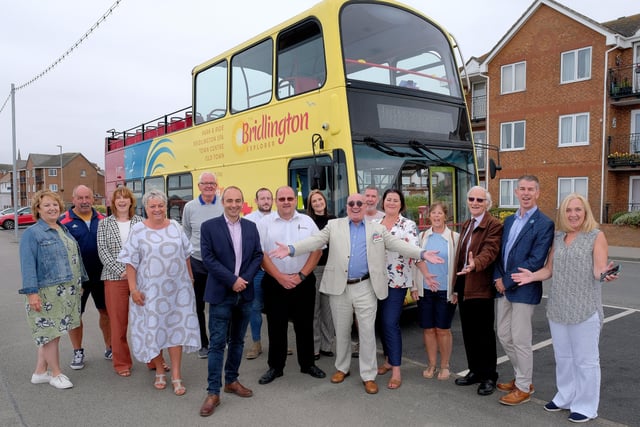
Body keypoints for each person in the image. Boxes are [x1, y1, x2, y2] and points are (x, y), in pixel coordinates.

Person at [270, 193, 443, 395]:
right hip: (339, 287)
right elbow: (314, 241)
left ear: (364, 206)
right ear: (347, 206)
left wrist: (421, 253)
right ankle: (342, 368)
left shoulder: (377, 229)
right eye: (351, 203)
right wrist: (291, 249)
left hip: (365, 286)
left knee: (367, 333)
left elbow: (399, 245)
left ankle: (368, 375)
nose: (355, 206)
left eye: (359, 203)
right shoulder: (334, 226)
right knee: (342, 331)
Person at [512, 193, 619, 423]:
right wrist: (532, 276)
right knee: (564, 358)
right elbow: (549, 270)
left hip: (584, 309)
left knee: (586, 361)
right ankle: (565, 397)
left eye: (578, 210)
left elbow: (598, 270)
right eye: (568, 210)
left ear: (586, 211)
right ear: (563, 213)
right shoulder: (558, 237)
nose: (573, 214)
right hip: (558, 308)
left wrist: (606, 275)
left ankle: (587, 406)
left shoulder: (596, 236)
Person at [118, 189, 200, 396]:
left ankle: (176, 375)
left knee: (176, 330)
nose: (157, 209)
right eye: (152, 206)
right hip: (150, 293)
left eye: (160, 205)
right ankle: (160, 370)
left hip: (178, 291)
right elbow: (130, 261)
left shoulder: (175, 226)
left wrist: (190, 279)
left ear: (166, 206)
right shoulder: (138, 230)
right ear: (145, 208)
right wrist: (133, 289)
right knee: (154, 330)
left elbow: (186, 254)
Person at [198, 186, 264, 417]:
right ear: (222, 202)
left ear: (242, 202)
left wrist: (243, 280)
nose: (234, 204)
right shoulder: (209, 227)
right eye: (229, 201)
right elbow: (208, 259)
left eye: (238, 200)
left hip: (244, 293)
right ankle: (213, 392)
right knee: (217, 344)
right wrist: (232, 280)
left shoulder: (251, 227)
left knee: (237, 341)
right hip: (221, 293)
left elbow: (258, 255)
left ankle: (232, 380)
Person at [493, 175, 554, 405]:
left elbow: (536, 260)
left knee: (520, 339)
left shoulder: (544, 223)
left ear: (537, 193)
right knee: (503, 334)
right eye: (522, 189)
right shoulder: (508, 221)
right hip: (504, 287)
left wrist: (506, 281)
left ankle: (523, 387)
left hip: (523, 289)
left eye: (531, 189)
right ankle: (522, 378)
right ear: (516, 192)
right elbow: (501, 254)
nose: (526, 193)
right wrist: (498, 277)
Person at [256, 186, 326, 385]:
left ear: (296, 200)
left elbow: (317, 250)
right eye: (282, 198)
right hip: (274, 282)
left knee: (305, 325)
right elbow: (261, 254)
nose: (286, 202)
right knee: (276, 326)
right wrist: (280, 277)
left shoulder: (307, 221)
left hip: (302, 281)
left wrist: (301, 275)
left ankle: (308, 364)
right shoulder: (264, 223)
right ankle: (275, 367)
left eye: (289, 198)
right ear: (276, 201)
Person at [19, 190, 87, 389]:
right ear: (38, 209)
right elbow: (28, 265)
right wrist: (32, 293)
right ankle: (56, 373)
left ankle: (40, 372)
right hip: (47, 292)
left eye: (55, 204)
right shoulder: (32, 234)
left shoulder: (62, 229)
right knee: (49, 333)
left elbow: (72, 257)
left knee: (53, 333)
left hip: (66, 290)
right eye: (47, 205)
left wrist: (80, 282)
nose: (52, 208)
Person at [453, 186, 503, 396]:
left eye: (480, 200)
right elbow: (460, 257)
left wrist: (476, 264)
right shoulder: (467, 224)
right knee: (469, 332)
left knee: (484, 334)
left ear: (487, 204)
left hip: (481, 286)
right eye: (471, 199)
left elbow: (490, 251)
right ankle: (474, 371)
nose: (475, 202)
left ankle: (489, 376)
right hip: (465, 285)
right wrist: (456, 287)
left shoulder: (493, 224)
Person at [374, 189, 420, 390]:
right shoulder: (375, 225)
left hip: (398, 282)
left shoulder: (408, 225)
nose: (391, 203)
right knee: (379, 323)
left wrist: (425, 275)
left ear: (401, 204)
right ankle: (387, 360)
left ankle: (397, 370)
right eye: (388, 199)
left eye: (395, 200)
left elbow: (414, 251)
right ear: (383, 203)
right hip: (375, 281)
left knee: (390, 323)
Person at [60, 184, 108, 369]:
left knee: (106, 312)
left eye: (87, 197)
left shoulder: (104, 219)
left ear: (93, 199)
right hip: (76, 280)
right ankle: (77, 351)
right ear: (73, 200)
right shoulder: (62, 222)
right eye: (80, 198)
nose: (84, 201)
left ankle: (109, 347)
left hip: (102, 276)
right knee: (75, 316)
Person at [97, 187, 144, 377]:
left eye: (126, 198)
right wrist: (123, 271)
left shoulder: (141, 222)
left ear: (131, 201)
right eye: (118, 198)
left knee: (146, 321)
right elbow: (103, 252)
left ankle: (153, 359)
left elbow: (147, 250)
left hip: (141, 278)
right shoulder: (104, 224)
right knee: (118, 323)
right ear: (113, 202)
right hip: (114, 278)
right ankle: (122, 362)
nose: (122, 201)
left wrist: (135, 271)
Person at [411, 201, 459, 382]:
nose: (437, 216)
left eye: (440, 213)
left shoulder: (455, 238)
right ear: (429, 216)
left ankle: (445, 365)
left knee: (443, 329)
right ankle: (431, 364)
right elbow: (415, 260)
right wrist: (415, 286)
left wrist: (457, 291)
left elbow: (459, 266)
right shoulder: (422, 236)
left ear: (445, 216)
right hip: (425, 290)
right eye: (434, 213)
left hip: (446, 291)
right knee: (428, 329)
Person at [182, 172, 224, 359]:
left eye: (212, 183)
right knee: (197, 305)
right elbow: (186, 232)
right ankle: (203, 343)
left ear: (216, 185)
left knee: (220, 303)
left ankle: (219, 340)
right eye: (205, 183)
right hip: (197, 262)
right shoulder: (190, 207)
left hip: (220, 263)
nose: (208, 186)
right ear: (199, 186)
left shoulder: (224, 203)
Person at [243, 187, 274, 360]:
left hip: (276, 271)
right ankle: (256, 343)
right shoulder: (248, 220)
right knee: (255, 307)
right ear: (256, 201)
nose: (265, 201)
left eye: (268, 198)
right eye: (262, 198)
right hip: (257, 271)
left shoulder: (280, 218)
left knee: (277, 308)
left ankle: (278, 343)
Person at [306, 190, 336, 360]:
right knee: (314, 310)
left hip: (331, 269)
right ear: (311, 205)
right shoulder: (308, 221)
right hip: (315, 269)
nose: (318, 203)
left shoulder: (334, 220)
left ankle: (327, 345)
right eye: (314, 201)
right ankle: (315, 347)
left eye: (320, 199)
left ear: (324, 201)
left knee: (328, 310)